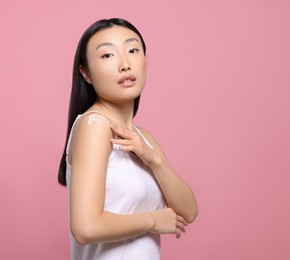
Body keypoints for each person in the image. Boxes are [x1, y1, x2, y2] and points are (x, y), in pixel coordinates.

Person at [57, 18, 198, 260]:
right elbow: (85, 228)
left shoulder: (143, 138)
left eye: (133, 50)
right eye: (108, 56)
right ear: (86, 73)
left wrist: (154, 159)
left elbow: (189, 211)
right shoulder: (94, 125)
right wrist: (153, 220)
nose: (125, 64)